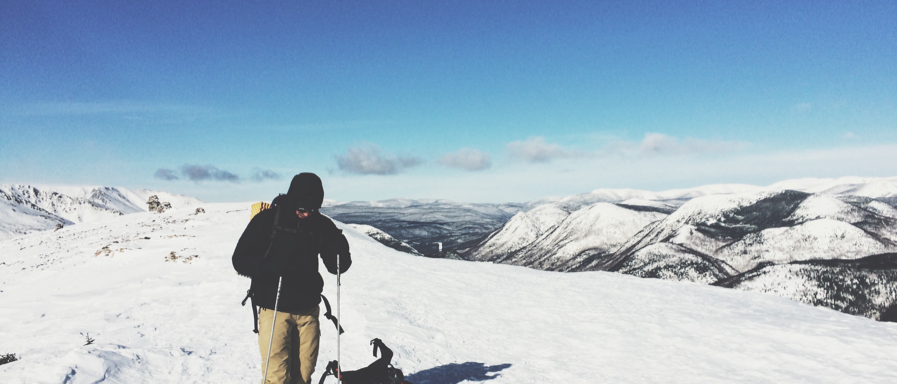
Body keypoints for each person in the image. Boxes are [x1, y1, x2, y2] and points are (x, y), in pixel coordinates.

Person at [233, 173, 351, 384]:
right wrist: (268, 267)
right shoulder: (267, 221)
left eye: (313, 209)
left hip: (308, 310)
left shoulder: (320, 225)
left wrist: (341, 251)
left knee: (304, 375)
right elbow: (239, 260)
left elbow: (336, 267)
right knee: (276, 377)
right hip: (274, 308)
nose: (307, 214)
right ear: (293, 200)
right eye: (302, 209)